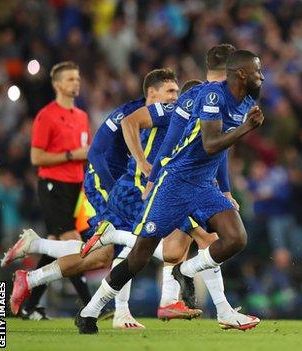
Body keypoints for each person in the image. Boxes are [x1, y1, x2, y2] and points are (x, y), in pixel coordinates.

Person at [75, 50, 265, 334]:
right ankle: (89, 312)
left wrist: (224, 189)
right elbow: (212, 143)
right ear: (239, 73)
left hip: (202, 185)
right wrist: (246, 128)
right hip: (174, 183)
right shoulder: (213, 97)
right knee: (139, 255)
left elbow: (219, 151)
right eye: (257, 71)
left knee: (236, 238)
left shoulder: (246, 100)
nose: (261, 77)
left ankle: (186, 274)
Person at [5, 68, 181, 327]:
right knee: (131, 243)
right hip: (103, 181)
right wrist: (112, 193)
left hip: (128, 187)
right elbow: (97, 154)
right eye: (170, 91)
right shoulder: (126, 114)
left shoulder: (165, 119)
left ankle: (34, 260)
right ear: (152, 93)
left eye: (177, 91)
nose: (175, 97)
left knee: (102, 255)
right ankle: (121, 312)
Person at [26, 61, 91, 319]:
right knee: (73, 244)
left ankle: (27, 304)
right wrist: (71, 154)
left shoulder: (83, 116)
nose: (76, 83)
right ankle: (90, 305)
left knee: (55, 245)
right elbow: (36, 157)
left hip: (77, 187)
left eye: (77, 78)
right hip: (53, 185)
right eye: (70, 79)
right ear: (57, 84)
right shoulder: (47, 115)